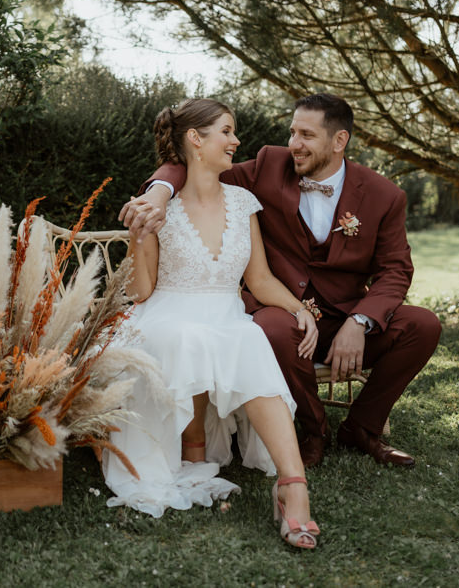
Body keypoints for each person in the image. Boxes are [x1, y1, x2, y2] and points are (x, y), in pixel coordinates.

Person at [121, 93, 441, 469]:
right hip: (284, 316)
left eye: (306, 135)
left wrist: (359, 322)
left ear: (339, 141)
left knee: (422, 325)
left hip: (346, 320)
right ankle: (314, 431)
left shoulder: (384, 196)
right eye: (292, 132)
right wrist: (158, 192)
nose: (293, 145)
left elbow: (396, 270)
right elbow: (193, 164)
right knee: (269, 329)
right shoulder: (270, 166)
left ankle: (361, 427)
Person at [102, 98, 321, 549]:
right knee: (191, 337)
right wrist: (137, 240)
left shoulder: (243, 202)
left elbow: (258, 280)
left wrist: (301, 310)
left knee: (249, 337)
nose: (235, 141)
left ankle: (293, 485)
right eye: (226, 131)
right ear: (195, 140)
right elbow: (141, 291)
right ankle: (191, 451)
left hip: (225, 312)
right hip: (166, 315)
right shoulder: (159, 207)